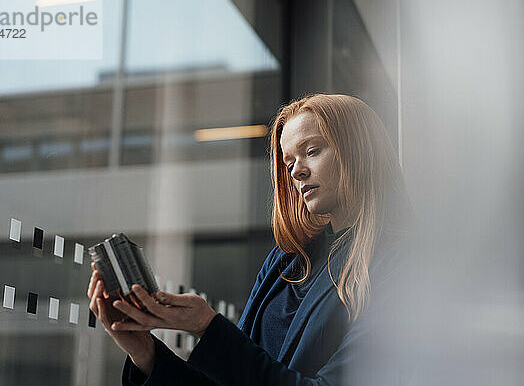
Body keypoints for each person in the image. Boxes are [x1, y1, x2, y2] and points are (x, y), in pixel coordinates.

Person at [87, 94, 414, 385]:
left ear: (359, 151)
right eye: (289, 163)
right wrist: (144, 352)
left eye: (312, 151)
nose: (296, 172)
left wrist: (208, 327)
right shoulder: (285, 261)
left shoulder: (400, 266)